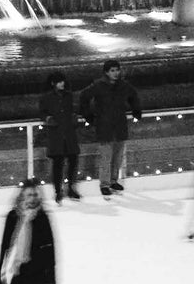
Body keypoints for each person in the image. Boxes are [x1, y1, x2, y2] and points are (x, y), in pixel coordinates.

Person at [79, 60, 142, 198]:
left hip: (119, 125)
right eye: (112, 70)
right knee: (106, 157)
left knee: (118, 157)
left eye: (117, 70)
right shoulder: (99, 86)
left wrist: (136, 110)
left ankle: (114, 180)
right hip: (104, 126)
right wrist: (88, 114)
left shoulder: (123, 86)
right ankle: (105, 184)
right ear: (106, 72)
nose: (115, 73)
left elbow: (133, 96)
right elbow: (84, 97)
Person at [38, 73, 81, 200]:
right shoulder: (46, 97)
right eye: (59, 82)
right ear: (53, 83)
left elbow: (73, 109)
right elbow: (41, 112)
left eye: (62, 81)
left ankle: (71, 188)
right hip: (56, 134)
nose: (62, 84)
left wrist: (74, 117)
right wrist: (48, 119)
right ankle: (58, 190)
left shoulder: (69, 96)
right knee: (58, 163)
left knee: (73, 161)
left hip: (69, 133)